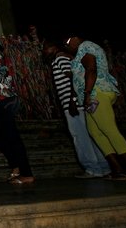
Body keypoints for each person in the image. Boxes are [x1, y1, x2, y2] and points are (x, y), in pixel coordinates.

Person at [64, 33, 126, 180]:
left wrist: (88, 93)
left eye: (67, 42)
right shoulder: (80, 51)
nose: (66, 46)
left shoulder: (86, 46)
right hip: (91, 96)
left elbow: (91, 68)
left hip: (96, 93)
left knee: (109, 130)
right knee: (95, 132)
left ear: (75, 38)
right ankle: (117, 169)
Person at [42, 40, 111, 178]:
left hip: (74, 105)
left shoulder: (60, 58)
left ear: (54, 47)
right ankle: (104, 167)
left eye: (45, 48)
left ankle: (93, 169)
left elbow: (74, 76)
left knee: (80, 137)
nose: (44, 52)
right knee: (90, 135)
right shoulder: (63, 58)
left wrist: (72, 100)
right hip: (77, 103)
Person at [0, 28, 35, 184]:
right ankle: (16, 165)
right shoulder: (0, 54)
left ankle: (26, 173)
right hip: (9, 99)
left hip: (1, 100)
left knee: (11, 137)